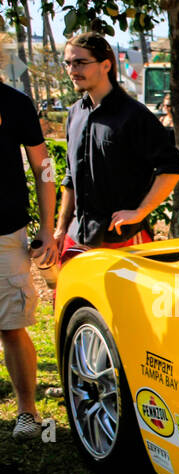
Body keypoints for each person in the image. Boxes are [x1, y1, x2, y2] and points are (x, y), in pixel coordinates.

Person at [55, 33, 179, 262]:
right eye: (68, 63)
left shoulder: (134, 115)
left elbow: (171, 168)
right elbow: (71, 178)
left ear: (106, 65)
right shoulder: (75, 113)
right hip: (77, 240)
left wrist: (140, 212)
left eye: (81, 62)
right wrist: (60, 228)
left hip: (123, 241)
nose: (73, 70)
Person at [1, 67, 56, 442]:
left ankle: (28, 413)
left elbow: (44, 167)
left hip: (6, 233)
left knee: (11, 325)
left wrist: (49, 228)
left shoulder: (16, 104)